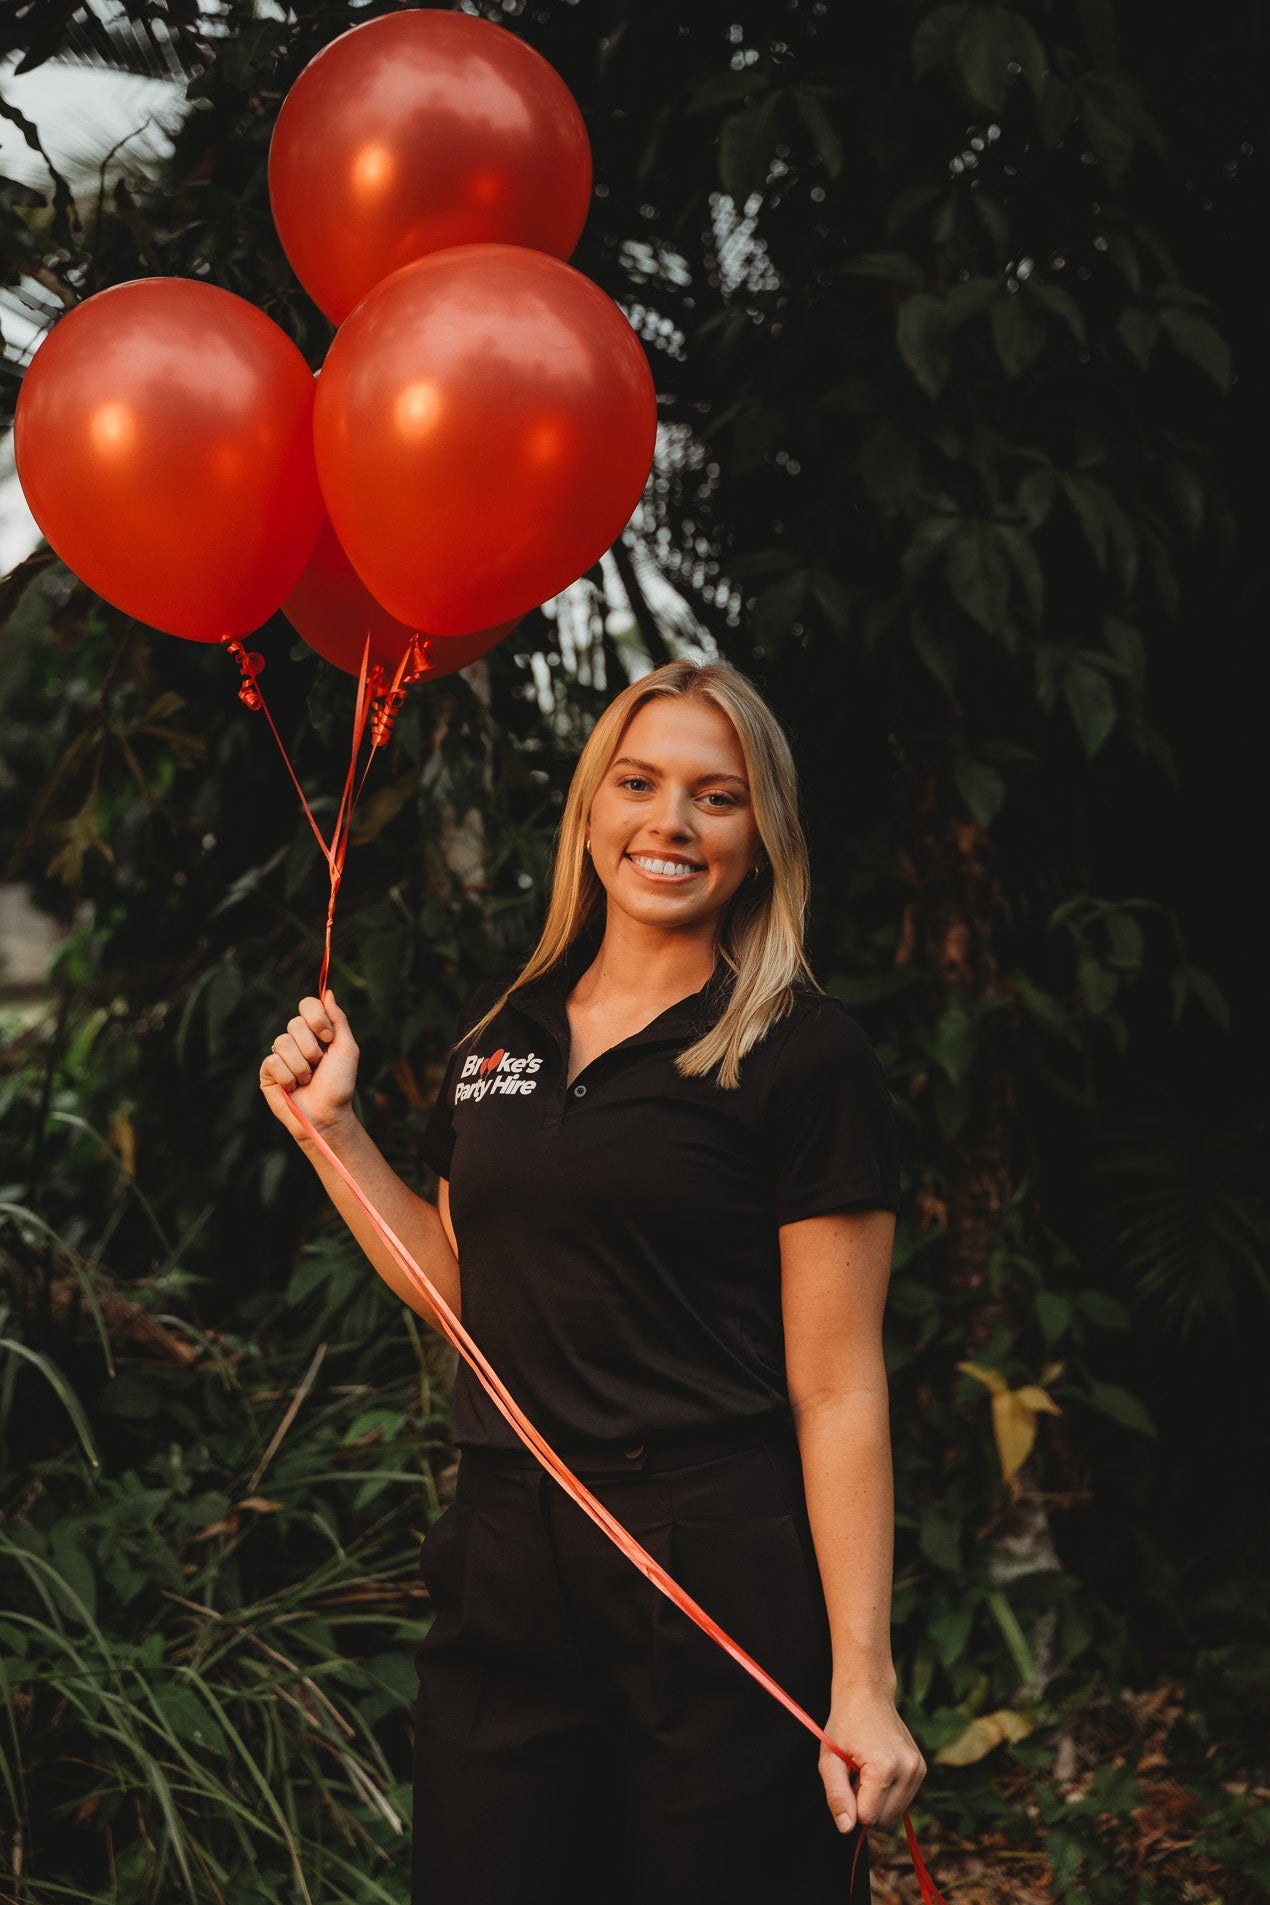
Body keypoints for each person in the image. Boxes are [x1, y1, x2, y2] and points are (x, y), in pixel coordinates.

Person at [260, 658, 926, 1904]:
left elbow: (836, 1388)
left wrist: (863, 1680)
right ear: (590, 810)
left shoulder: (803, 1053)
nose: (668, 824)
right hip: (506, 1554)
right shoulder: (502, 1032)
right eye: (638, 783)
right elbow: (467, 1296)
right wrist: (331, 1134)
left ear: (763, 837)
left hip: (709, 1556)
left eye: (714, 798)